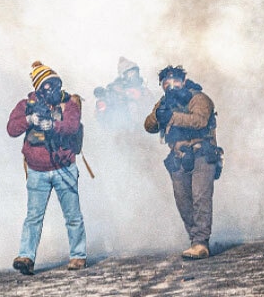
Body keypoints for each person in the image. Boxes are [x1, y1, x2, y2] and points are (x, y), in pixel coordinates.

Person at [6, 61, 87, 275]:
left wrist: (53, 126)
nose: (53, 88)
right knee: (33, 217)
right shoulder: (26, 105)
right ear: (39, 88)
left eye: (55, 83)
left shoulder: (69, 103)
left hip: (64, 168)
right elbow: (11, 129)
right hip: (37, 170)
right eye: (47, 84)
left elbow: (72, 126)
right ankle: (26, 257)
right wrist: (29, 119)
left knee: (72, 215)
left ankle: (78, 256)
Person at [144, 65, 223, 259]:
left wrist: (173, 117)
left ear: (184, 81)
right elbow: (148, 126)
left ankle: (201, 242)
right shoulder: (164, 102)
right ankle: (194, 238)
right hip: (178, 156)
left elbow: (200, 121)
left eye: (175, 81)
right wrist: (159, 114)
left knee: (200, 197)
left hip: (201, 154)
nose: (171, 85)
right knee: (183, 201)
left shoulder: (198, 98)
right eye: (166, 83)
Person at [94, 57, 155, 132]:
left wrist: (139, 98)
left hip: (141, 129)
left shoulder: (143, 90)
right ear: (123, 75)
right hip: (120, 131)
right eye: (130, 73)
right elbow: (102, 114)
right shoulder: (113, 90)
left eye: (135, 72)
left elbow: (151, 107)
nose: (133, 75)